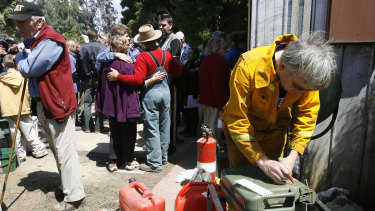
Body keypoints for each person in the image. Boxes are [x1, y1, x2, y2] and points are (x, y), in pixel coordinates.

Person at [222, 32, 336, 184]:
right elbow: (237, 120)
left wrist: (292, 157)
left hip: (275, 135)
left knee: (272, 184)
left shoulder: (305, 74)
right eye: (297, 88)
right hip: (243, 138)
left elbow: (306, 115)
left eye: (307, 91)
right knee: (242, 185)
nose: (302, 94)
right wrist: (263, 162)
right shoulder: (247, 67)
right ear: (282, 67)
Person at [9, 2, 85, 210]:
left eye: (23, 22)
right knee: (58, 149)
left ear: (39, 21)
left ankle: (74, 196)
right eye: (17, 23)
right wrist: (25, 55)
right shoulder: (36, 41)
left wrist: (21, 57)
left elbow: (30, 68)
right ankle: (67, 186)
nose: (19, 27)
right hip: (45, 102)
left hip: (56, 103)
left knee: (64, 150)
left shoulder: (51, 40)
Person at [107, 24, 183, 173]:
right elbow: (178, 72)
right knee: (164, 126)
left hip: (151, 94)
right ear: (155, 39)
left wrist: (119, 77)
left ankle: (154, 163)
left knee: (152, 128)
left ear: (142, 42)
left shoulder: (142, 56)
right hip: (166, 92)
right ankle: (163, 157)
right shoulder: (166, 54)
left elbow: (137, 80)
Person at [0, 54, 48, 161]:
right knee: (29, 130)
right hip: (23, 107)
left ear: (3, 65)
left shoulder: (2, 80)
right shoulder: (23, 76)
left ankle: (20, 155)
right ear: (16, 64)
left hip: (8, 109)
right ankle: (38, 149)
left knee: (13, 133)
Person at [158, 13, 183, 152]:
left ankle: (171, 145)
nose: (161, 27)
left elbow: (174, 64)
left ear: (170, 25)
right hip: (160, 83)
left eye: (164, 25)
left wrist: (166, 83)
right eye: (159, 25)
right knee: (163, 116)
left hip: (169, 84)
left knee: (171, 115)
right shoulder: (160, 40)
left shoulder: (174, 40)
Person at [198, 37, 230, 141]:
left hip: (207, 101)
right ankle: (212, 154)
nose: (225, 50)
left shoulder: (206, 60)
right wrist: (222, 106)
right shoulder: (218, 61)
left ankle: (208, 153)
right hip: (215, 103)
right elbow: (218, 85)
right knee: (213, 133)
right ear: (216, 48)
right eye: (223, 48)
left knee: (208, 131)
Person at [77, 28, 106, 133]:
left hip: (87, 78)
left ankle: (88, 127)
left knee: (87, 102)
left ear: (88, 36)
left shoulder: (82, 48)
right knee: (99, 101)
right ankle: (99, 127)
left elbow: (79, 64)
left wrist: (82, 78)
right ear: (97, 36)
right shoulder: (103, 46)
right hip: (100, 78)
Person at [180, 47, 200, 137]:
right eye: (188, 53)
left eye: (191, 53)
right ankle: (188, 127)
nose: (189, 55)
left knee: (193, 112)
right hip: (187, 90)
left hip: (193, 91)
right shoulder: (188, 62)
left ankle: (193, 130)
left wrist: (186, 71)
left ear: (195, 54)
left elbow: (193, 72)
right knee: (186, 111)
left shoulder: (197, 62)